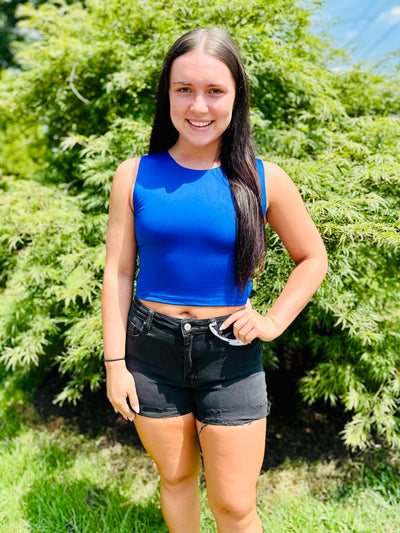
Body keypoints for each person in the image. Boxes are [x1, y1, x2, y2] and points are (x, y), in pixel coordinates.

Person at [101, 27, 328, 533]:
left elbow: (312, 257)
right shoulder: (133, 175)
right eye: (184, 89)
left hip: (230, 356)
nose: (198, 106)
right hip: (150, 351)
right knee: (176, 477)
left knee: (235, 506)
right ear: (167, 94)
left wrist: (273, 321)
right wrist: (115, 364)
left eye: (215, 91)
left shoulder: (265, 179)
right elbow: (118, 272)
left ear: (236, 96)